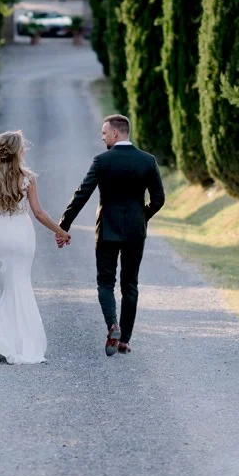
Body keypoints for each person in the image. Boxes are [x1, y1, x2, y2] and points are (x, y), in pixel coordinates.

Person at [57, 114, 164, 356]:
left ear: (116, 133)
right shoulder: (148, 161)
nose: (102, 137)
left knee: (106, 282)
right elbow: (159, 199)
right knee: (130, 284)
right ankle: (124, 339)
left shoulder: (103, 161)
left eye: (104, 133)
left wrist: (64, 225)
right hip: (136, 232)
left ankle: (112, 325)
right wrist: (142, 216)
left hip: (107, 230)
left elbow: (81, 194)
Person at [0, 130, 70, 364]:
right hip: (23, 235)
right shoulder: (27, 178)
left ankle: (6, 340)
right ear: (17, 151)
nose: (25, 149)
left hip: (0, 235)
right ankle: (23, 342)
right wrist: (59, 230)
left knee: (5, 286)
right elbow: (38, 212)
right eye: (22, 147)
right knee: (21, 284)